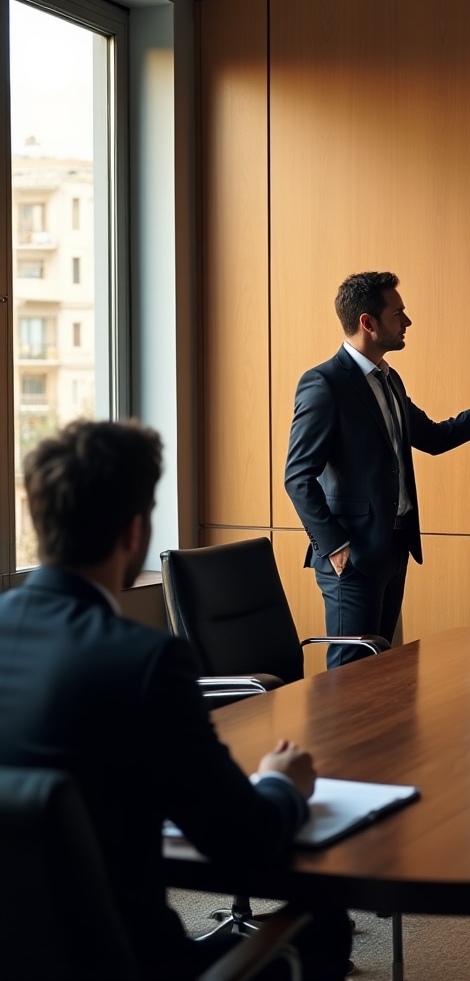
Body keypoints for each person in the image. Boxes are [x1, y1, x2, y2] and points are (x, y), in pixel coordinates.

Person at [0, 420, 350, 980]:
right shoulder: (142, 661)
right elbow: (242, 842)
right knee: (326, 921)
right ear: (135, 533)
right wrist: (284, 782)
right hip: (136, 964)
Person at [284, 270, 470, 666]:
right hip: (352, 557)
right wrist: (333, 546)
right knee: (351, 679)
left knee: (383, 673)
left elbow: (432, 437)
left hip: (394, 547)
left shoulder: (389, 379)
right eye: (398, 313)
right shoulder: (324, 384)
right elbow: (297, 476)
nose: (407, 321)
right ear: (368, 322)